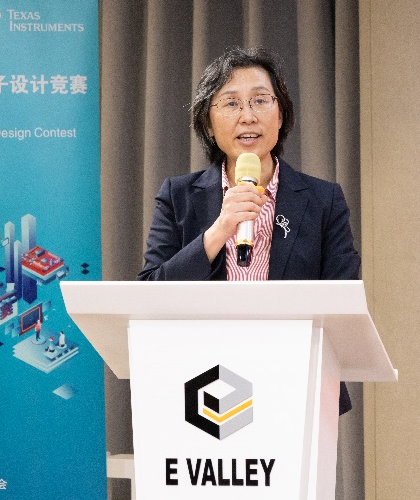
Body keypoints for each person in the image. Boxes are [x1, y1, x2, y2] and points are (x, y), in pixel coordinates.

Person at [138, 46, 359, 414]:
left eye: (260, 100)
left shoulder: (324, 200)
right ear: (208, 124)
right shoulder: (179, 196)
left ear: (280, 115)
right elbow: (149, 294)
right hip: (198, 385)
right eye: (231, 103)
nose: (248, 116)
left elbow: (341, 301)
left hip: (294, 386)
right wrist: (220, 229)